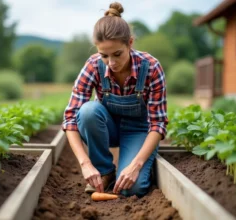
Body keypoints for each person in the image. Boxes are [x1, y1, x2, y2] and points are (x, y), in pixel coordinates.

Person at [62, 2, 168, 198]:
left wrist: (136, 165)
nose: (111, 63)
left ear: (130, 43)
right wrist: (85, 164)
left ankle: (140, 163)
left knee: (131, 189)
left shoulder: (151, 68)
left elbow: (157, 124)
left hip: (138, 130)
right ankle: (105, 171)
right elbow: (70, 118)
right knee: (87, 112)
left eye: (117, 54)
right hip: (107, 127)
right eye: (104, 55)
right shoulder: (93, 65)